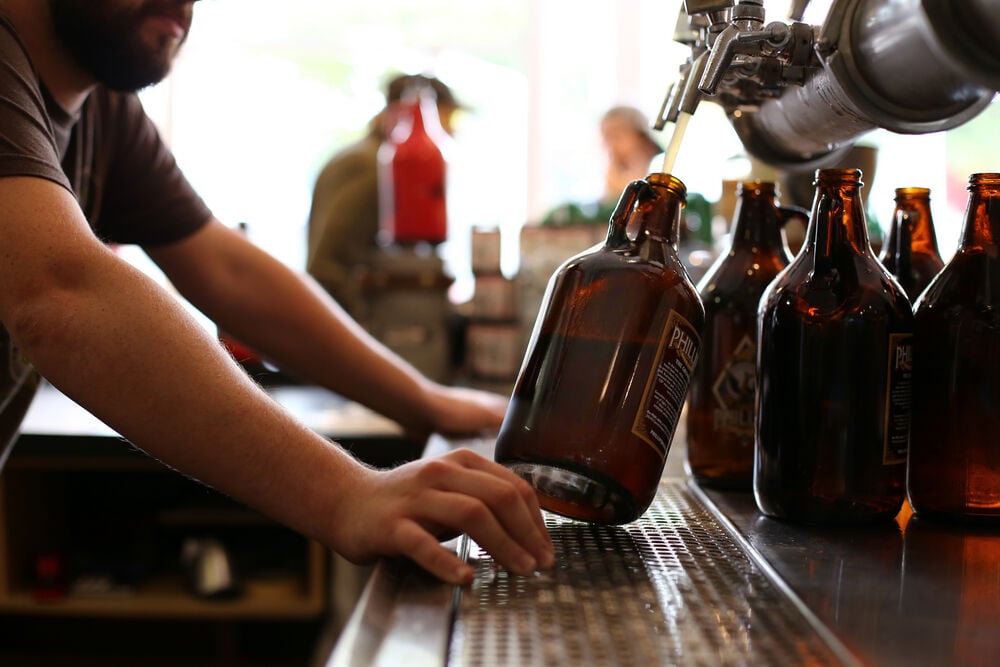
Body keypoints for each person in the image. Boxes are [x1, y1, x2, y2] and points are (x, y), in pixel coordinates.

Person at [0, 0, 553, 585]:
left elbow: (225, 269)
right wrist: (349, 495)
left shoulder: (100, 106)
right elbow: (59, 291)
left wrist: (425, 402)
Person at [306, 73, 461, 315]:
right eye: (446, 116)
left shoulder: (371, 157)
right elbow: (326, 266)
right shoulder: (374, 165)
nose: (451, 128)